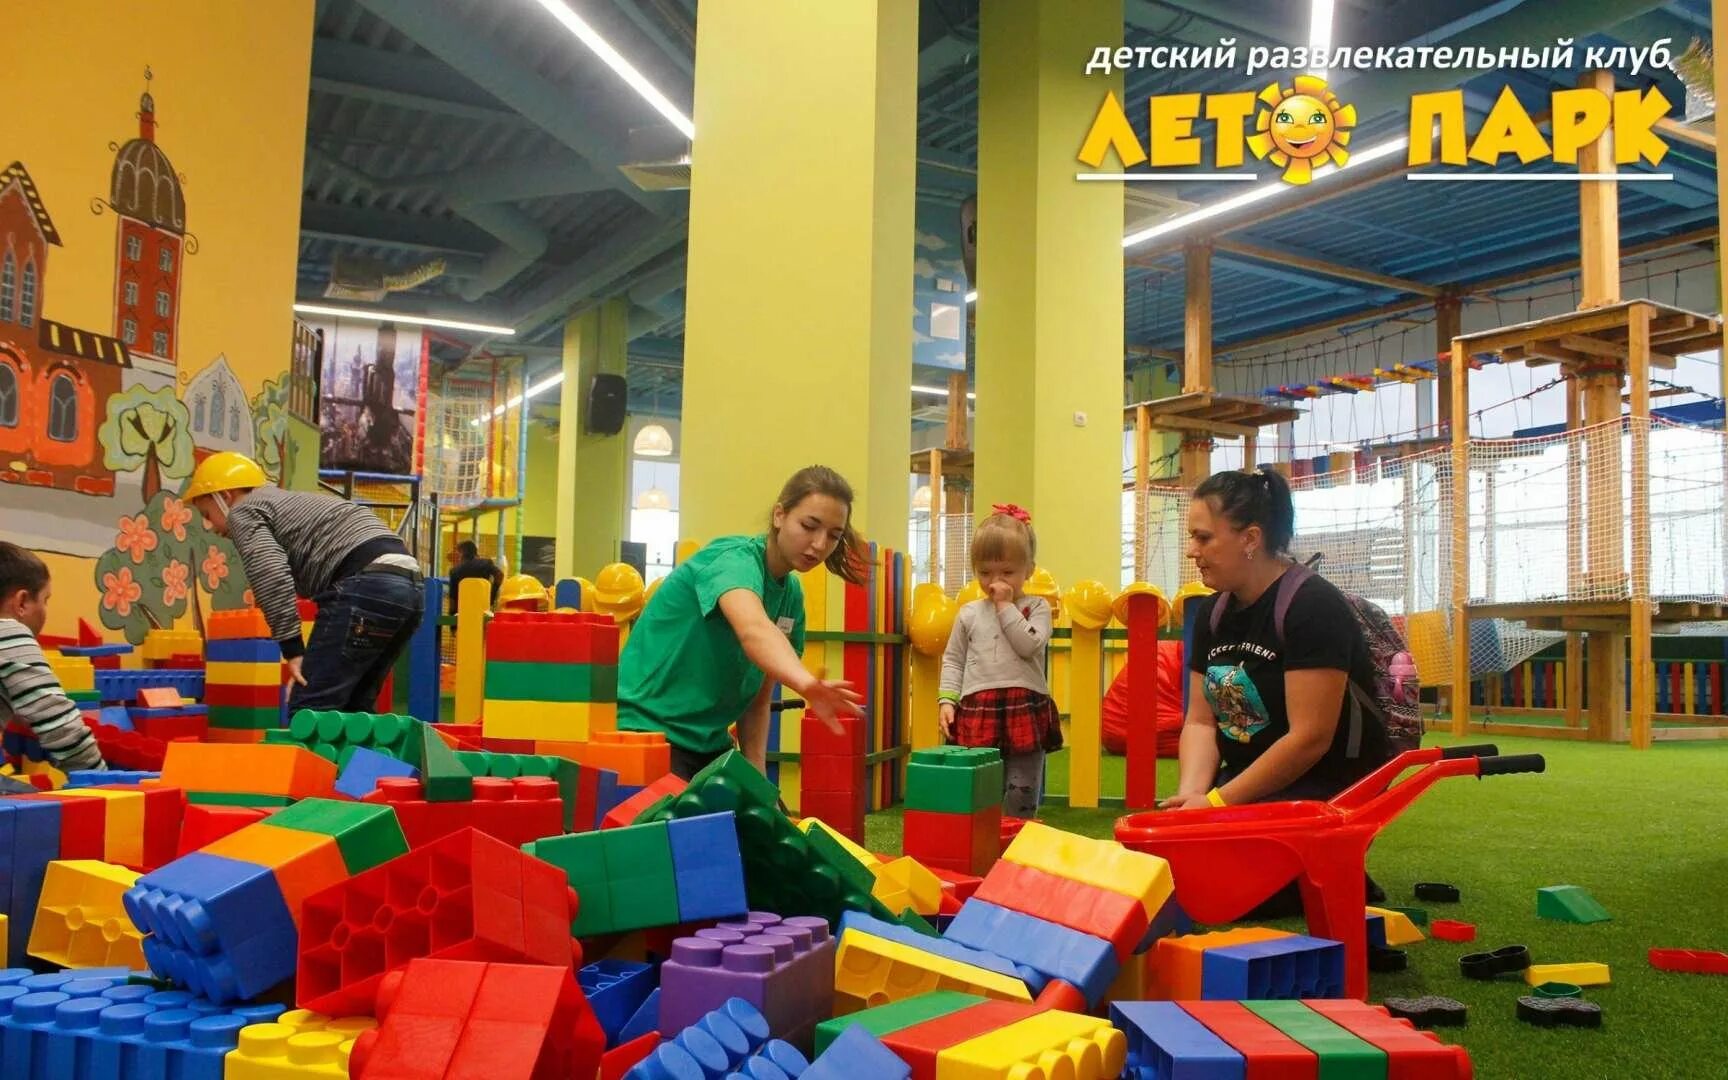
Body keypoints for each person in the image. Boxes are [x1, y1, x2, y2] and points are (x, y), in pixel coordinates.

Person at [1161, 467, 1391, 812]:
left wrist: (1218, 802)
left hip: (1326, 788)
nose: (1192, 551)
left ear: (1251, 539)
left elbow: (1309, 738)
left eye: (1203, 538)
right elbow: (1200, 721)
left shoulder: (1313, 606)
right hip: (1247, 784)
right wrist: (1193, 796)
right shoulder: (1211, 613)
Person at [617, 465, 866, 780]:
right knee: (688, 828)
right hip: (645, 731)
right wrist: (805, 684)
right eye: (809, 525)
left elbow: (757, 698)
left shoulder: (790, 595)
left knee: (765, 824)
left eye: (834, 535)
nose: (819, 544)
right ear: (779, 515)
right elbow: (753, 629)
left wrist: (757, 776)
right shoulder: (732, 560)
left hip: (708, 745)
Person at [183, 451, 425, 713]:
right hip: (410, 589)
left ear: (225, 496)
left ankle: (309, 752)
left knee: (310, 707)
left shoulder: (242, 510)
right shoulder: (282, 502)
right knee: (355, 708)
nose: (209, 527)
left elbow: (269, 572)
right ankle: (360, 755)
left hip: (368, 582)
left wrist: (293, 651)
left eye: (206, 514)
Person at [937, 505, 1060, 819]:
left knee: (1022, 788)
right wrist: (948, 700)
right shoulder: (968, 613)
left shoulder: (1037, 607)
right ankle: (982, 844)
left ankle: (1018, 838)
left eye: (1007, 572)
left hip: (1024, 706)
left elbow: (1028, 645)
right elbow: (953, 660)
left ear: (1028, 570)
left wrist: (1006, 605)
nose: (995, 581)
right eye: (985, 572)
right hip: (979, 707)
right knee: (982, 788)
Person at [0, 542, 105, 771]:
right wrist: (104, 782)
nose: (46, 610)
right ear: (22, 602)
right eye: (45, 600)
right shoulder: (8, 630)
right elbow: (60, 723)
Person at [446, 541, 502, 628]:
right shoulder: (486, 563)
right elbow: (499, 575)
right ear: (475, 552)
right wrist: (492, 594)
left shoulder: (455, 571)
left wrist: (452, 623)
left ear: (461, 553)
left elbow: (452, 599)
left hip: (463, 614)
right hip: (483, 610)